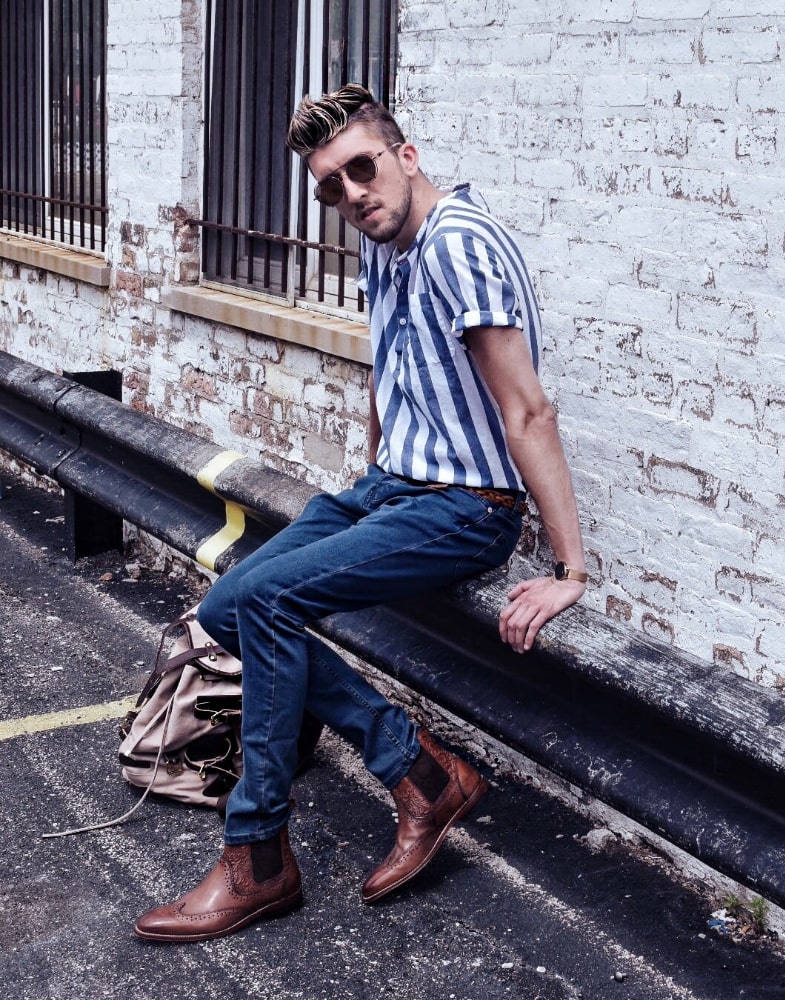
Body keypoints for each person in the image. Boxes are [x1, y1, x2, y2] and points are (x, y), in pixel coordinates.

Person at [133, 84, 587, 943]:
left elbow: (528, 410)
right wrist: (372, 471)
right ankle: (416, 770)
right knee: (231, 603)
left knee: (266, 603)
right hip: (391, 488)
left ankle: (257, 859)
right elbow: (387, 361)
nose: (350, 195)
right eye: (330, 186)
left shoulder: (460, 244)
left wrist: (568, 570)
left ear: (405, 157)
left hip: (464, 505)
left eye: (361, 170)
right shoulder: (383, 235)